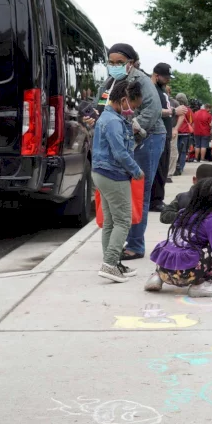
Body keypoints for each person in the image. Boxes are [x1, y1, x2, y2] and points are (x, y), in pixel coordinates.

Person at [106, 44, 166, 262]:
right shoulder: (113, 81)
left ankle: (136, 245)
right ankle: (127, 240)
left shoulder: (140, 79)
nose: (114, 66)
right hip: (129, 141)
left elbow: (154, 110)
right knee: (126, 192)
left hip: (148, 139)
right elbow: (103, 103)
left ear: (131, 62)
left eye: (119, 62)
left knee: (140, 191)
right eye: (111, 62)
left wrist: (132, 128)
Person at [147, 178, 212, 297]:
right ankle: (201, 284)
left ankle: (156, 277)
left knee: (176, 244)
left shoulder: (183, 213)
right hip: (185, 274)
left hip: (165, 271)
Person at [92, 79, 145, 283]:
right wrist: (136, 170)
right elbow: (120, 153)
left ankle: (112, 263)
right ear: (124, 100)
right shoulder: (113, 121)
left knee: (110, 222)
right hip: (113, 174)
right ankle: (110, 263)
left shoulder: (108, 117)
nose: (133, 110)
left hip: (101, 173)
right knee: (123, 221)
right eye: (133, 105)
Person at [148, 63, 176, 212]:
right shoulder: (150, 89)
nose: (168, 80)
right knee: (157, 168)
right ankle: (154, 200)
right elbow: (152, 110)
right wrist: (172, 111)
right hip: (156, 133)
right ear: (156, 75)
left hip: (165, 133)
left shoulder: (161, 89)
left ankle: (158, 198)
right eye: (166, 77)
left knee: (163, 168)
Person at [173, 93, 194, 176]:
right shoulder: (188, 110)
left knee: (175, 150)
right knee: (183, 151)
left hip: (175, 131)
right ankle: (180, 167)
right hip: (185, 133)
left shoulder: (175, 109)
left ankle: (173, 167)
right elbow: (191, 121)